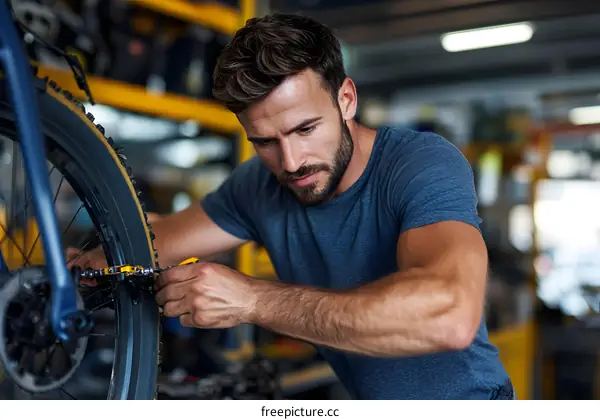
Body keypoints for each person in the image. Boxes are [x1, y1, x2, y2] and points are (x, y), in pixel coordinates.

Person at [69, 13, 513, 400]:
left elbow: (450, 317)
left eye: (305, 129)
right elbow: (156, 241)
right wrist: (77, 270)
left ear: (346, 100)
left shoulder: (420, 164)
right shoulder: (260, 184)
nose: (291, 162)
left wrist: (253, 300)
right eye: (264, 141)